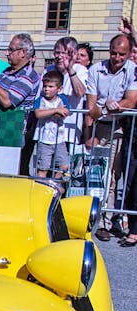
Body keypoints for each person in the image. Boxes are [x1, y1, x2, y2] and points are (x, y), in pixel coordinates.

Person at [84, 33, 137, 241]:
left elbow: (131, 101)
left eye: (121, 54)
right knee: (98, 174)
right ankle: (93, 219)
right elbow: (91, 107)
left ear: (128, 53)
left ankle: (108, 220)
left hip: (121, 127)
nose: (117, 58)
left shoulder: (132, 70)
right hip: (101, 125)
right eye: (113, 53)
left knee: (113, 176)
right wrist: (91, 130)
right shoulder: (96, 69)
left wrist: (116, 106)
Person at [0, 33, 40, 110]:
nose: (6, 53)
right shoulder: (8, 71)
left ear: (23, 53)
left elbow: (7, 102)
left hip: (12, 121)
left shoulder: (27, 77)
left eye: (11, 50)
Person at [32, 70, 71, 182]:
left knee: (64, 166)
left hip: (59, 140)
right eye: (45, 86)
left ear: (59, 89)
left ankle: (54, 183)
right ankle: (40, 189)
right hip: (44, 140)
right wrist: (55, 110)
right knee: (43, 168)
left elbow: (64, 113)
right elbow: (39, 114)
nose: (47, 89)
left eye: (50, 86)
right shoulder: (41, 100)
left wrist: (52, 112)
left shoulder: (62, 99)